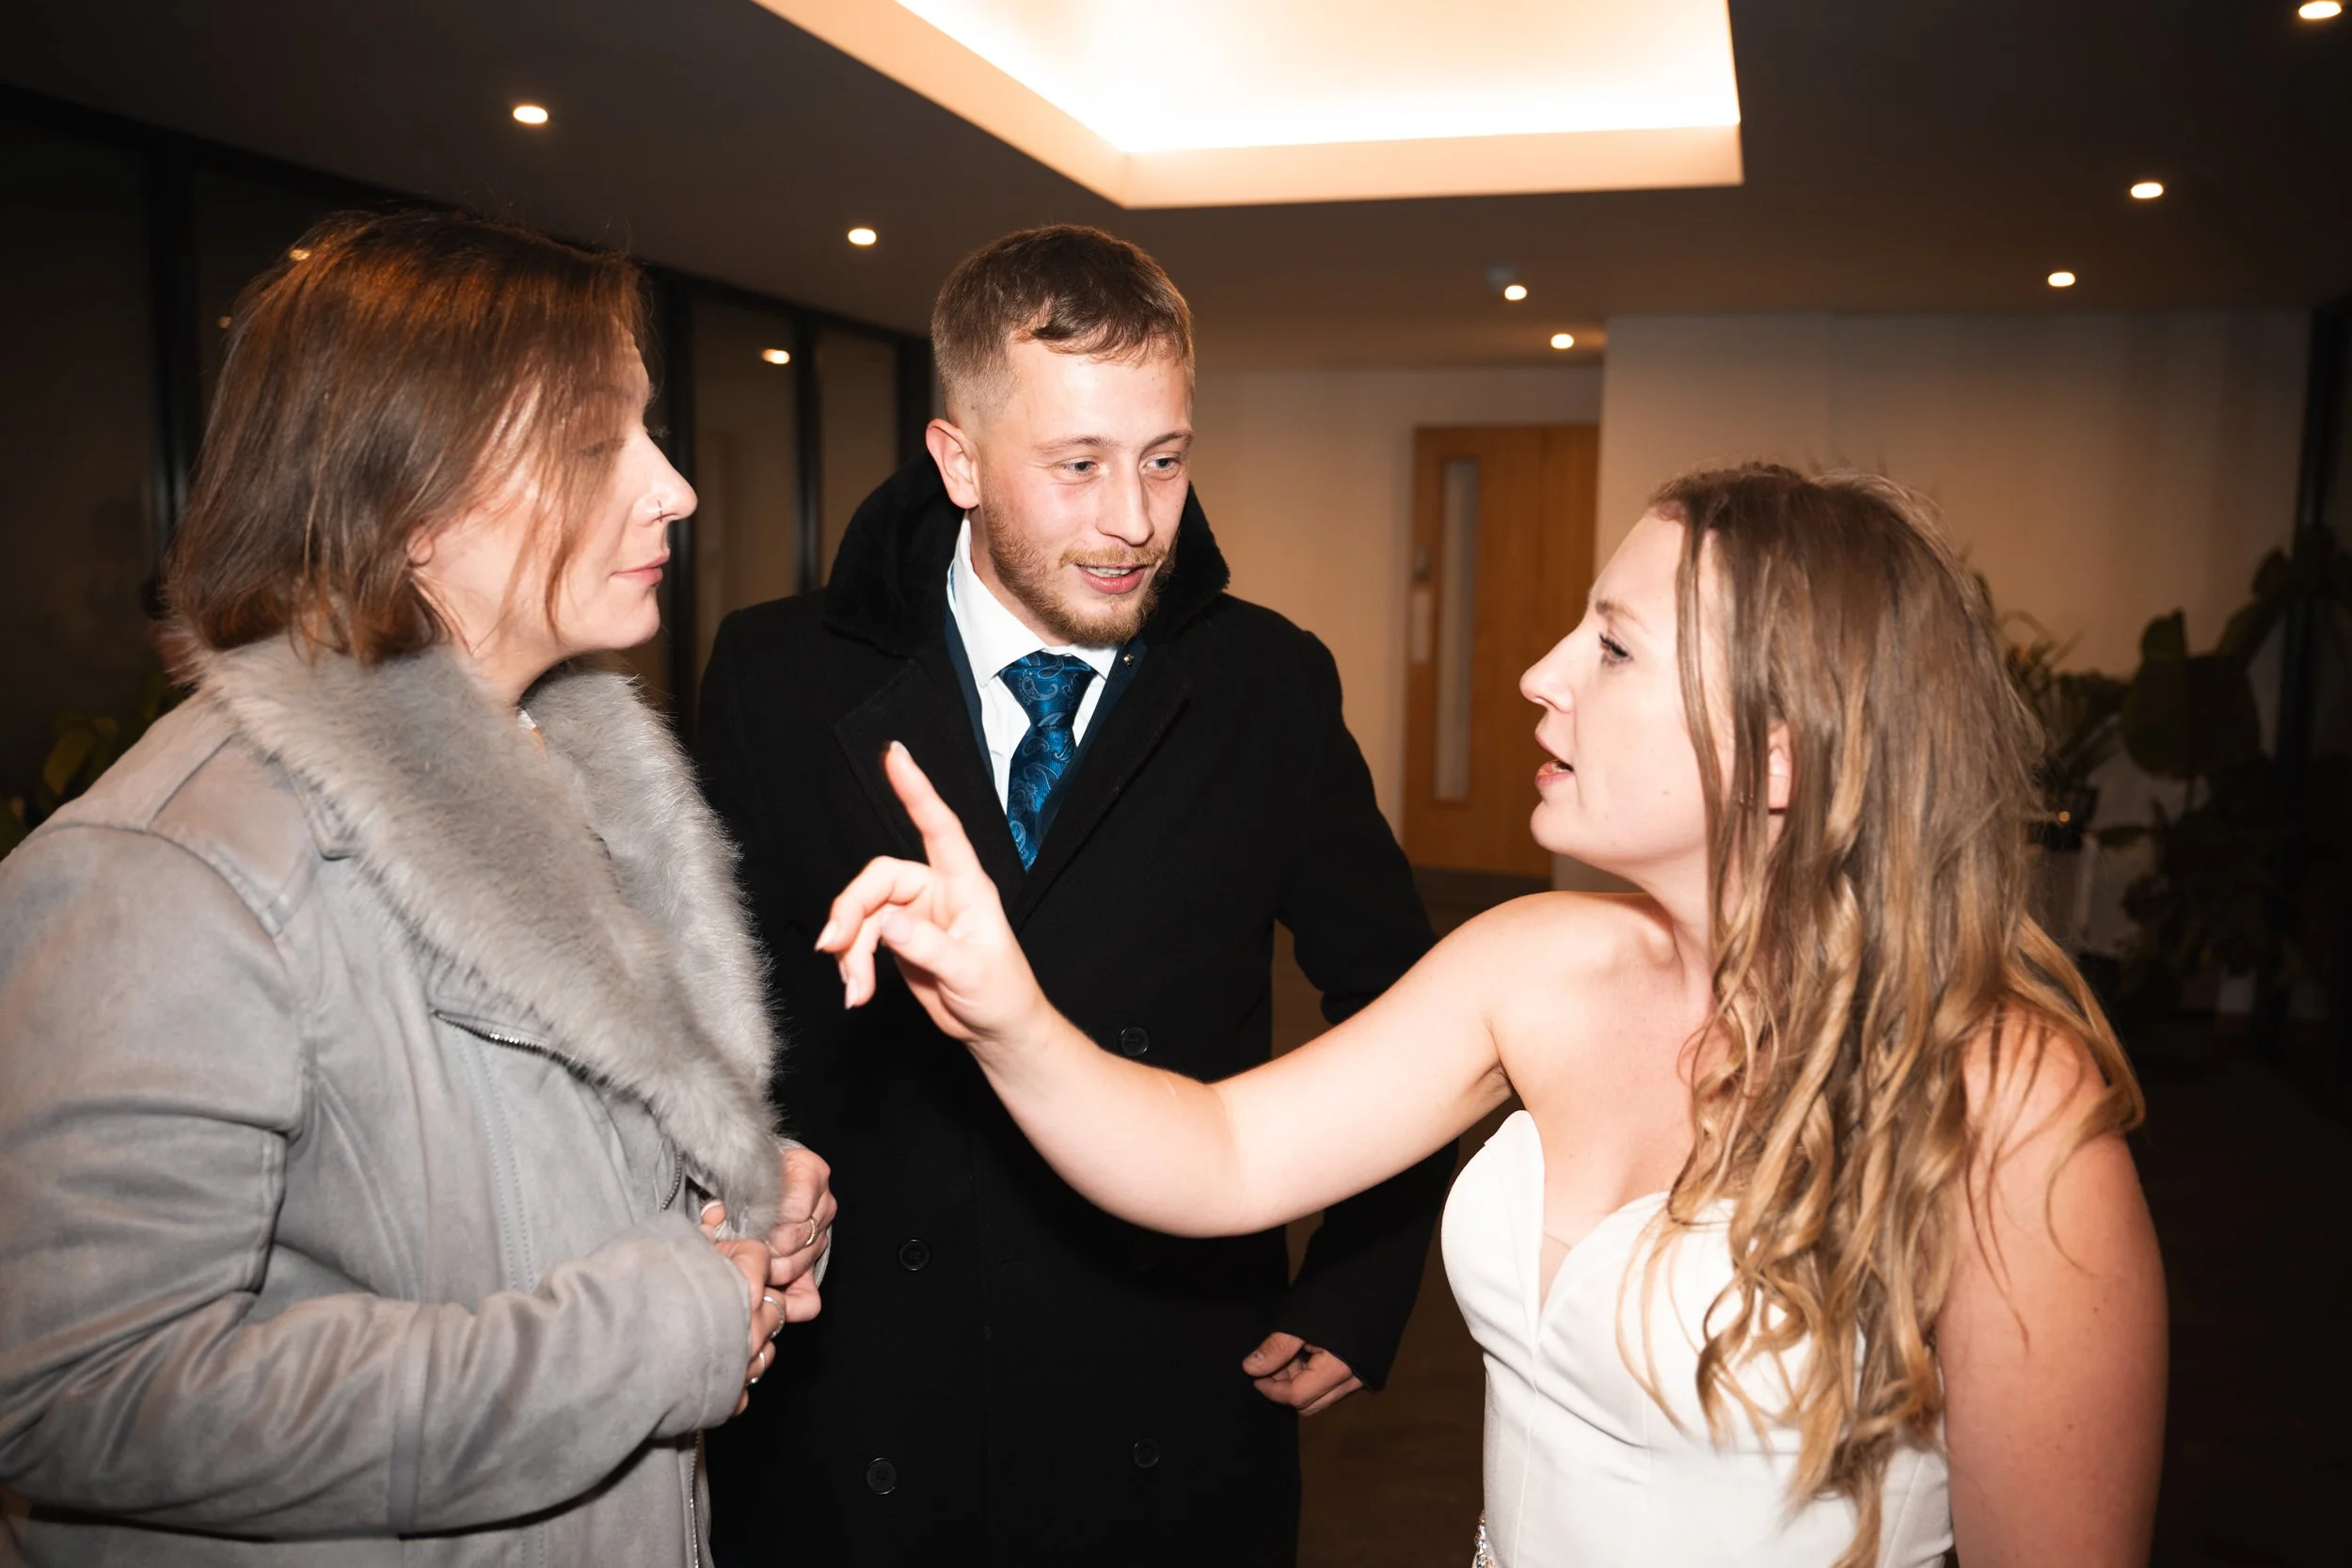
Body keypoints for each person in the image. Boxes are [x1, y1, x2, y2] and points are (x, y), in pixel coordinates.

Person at [819, 465, 2170, 1566]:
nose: (1542, 672)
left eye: (1615, 646)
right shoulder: (1534, 961)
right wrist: (1010, 1015)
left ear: (1779, 751)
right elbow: (1222, 1152)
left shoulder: (2003, 1106)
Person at [0, 209, 836, 1567]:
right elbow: (74, 1393)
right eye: (596, 442)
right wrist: (657, 1326)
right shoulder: (170, 870)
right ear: (414, 500)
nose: (675, 487)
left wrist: (734, 1227)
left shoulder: (568, 785)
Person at [696, 225, 1453, 1565]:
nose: (1134, 520)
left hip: (1159, 1362)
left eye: (1166, 458)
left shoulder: (1269, 683)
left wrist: (1362, 1275)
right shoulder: (774, 673)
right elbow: (709, 996)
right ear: (959, 462)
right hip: (858, 1381)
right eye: (1079, 465)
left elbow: (1404, 998)